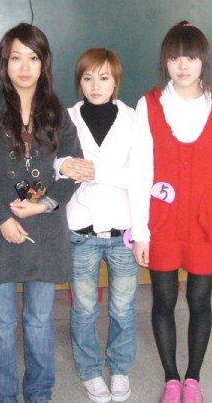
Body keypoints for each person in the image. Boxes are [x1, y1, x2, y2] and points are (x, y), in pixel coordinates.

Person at [0, 23, 82, 403]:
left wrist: (44, 204)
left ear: (44, 63)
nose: (24, 67)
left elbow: (73, 169)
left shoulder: (57, 111)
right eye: (16, 58)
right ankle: (2, 395)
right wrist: (1, 219)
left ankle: (40, 393)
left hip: (45, 230)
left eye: (33, 57)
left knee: (40, 319)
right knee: (0, 322)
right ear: (4, 62)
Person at [129, 21, 212, 403]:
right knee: (164, 300)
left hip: (206, 220)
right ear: (165, 62)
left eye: (190, 57)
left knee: (201, 301)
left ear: (203, 60)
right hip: (163, 222)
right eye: (174, 58)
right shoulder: (149, 104)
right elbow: (141, 169)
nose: (183, 65)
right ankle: (171, 378)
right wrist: (141, 231)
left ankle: (193, 379)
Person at [65, 48, 139, 403]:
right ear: (79, 81)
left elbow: (139, 176)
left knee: (123, 308)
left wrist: (96, 172)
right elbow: (56, 168)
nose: (96, 85)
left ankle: (120, 367)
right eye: (88, 77)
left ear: (116, 81)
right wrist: (66, 167)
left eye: (104, 78)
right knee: (84, 308)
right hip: (81, 230)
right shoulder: (66, 119)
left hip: (123, 231)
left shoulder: (133, 118)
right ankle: (90, 370)